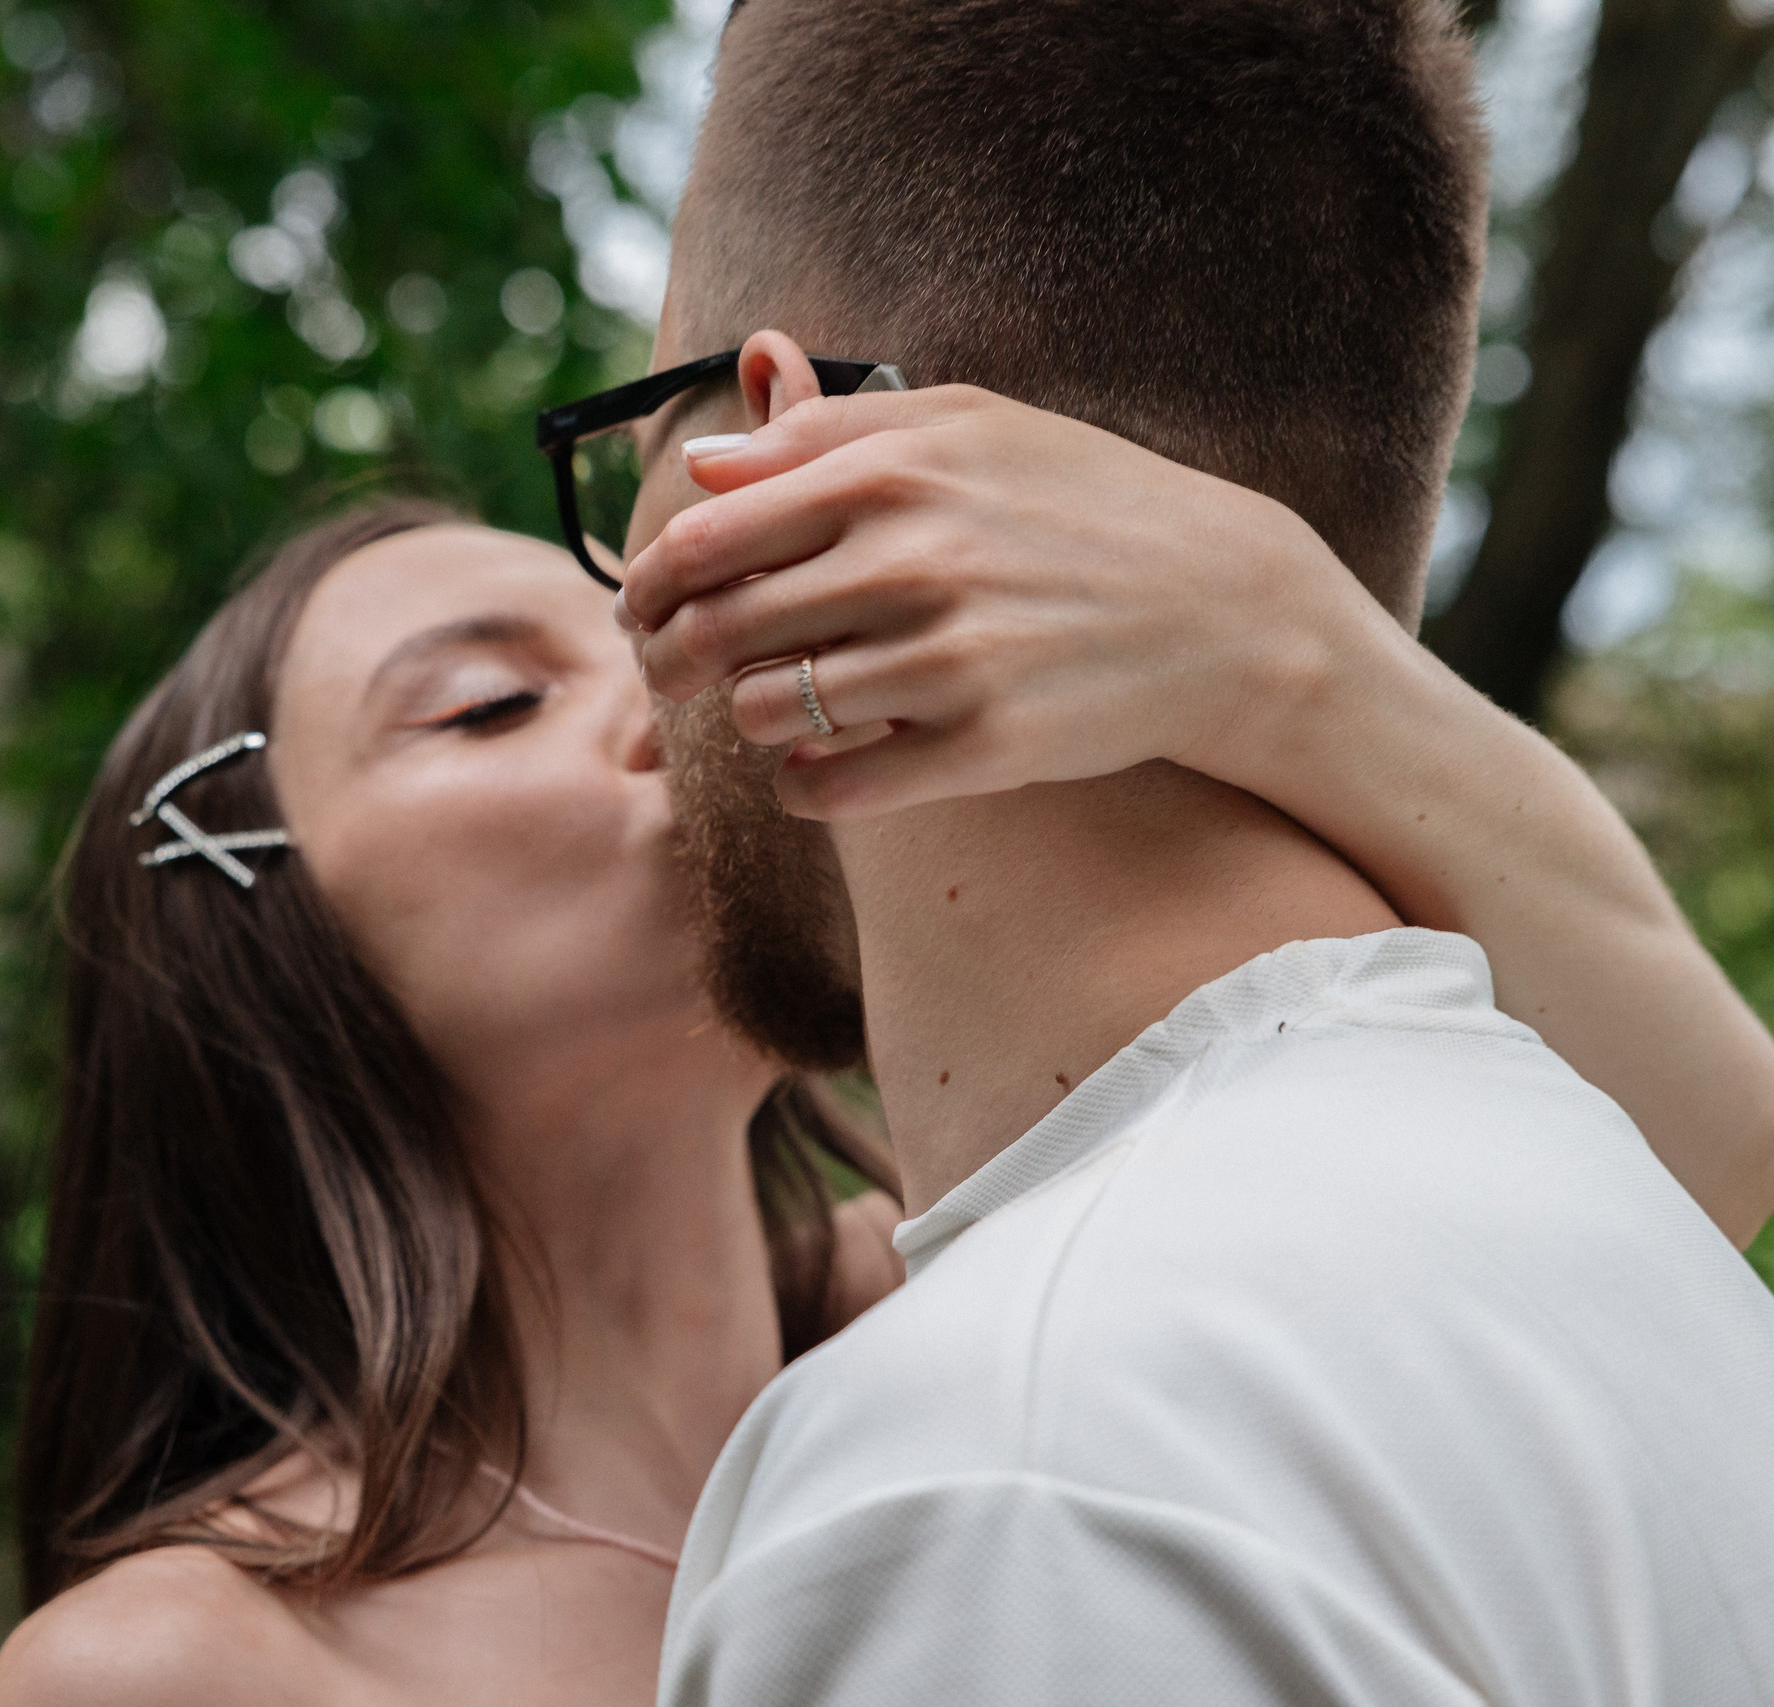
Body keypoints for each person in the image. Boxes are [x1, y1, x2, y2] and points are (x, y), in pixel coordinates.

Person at [0, 493, 1774, 1699]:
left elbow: (1689, 1149)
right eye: (491, 704)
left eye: (647, 629)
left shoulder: (1027, 1318)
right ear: (246, 915)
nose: (668, 696)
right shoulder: (178, 1667)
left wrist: (1286, 637)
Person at [594, 0, 1774, 1701]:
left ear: (774, 460)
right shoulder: (1634, 1270)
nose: (630, 719)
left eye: (625, 451)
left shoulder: (1014, 1469)